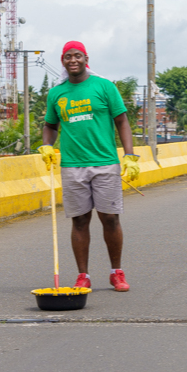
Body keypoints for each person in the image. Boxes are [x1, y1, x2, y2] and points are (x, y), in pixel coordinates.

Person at [40, 41, 141, 291]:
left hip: (105, 163)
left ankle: (116, 272)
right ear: (63, 62)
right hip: (72, 165)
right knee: (80, 221)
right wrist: (47, 146)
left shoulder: (104, 86)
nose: (72, 60)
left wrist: (129, 155)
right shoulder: (57, 93)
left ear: (86, 59)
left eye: (77, 56)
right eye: (67, 57)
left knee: (109, 218)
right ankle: (82, 275)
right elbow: (50, 125)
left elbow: (122, 120)